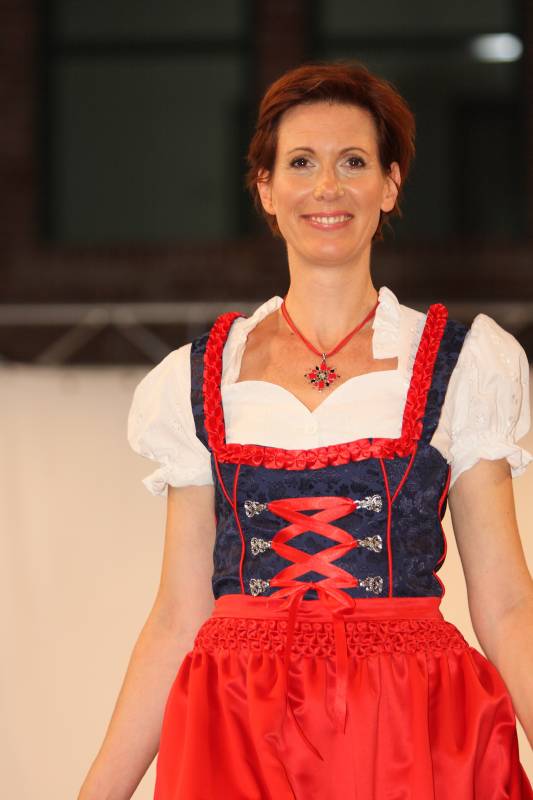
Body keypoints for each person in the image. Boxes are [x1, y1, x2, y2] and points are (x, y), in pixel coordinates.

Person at [78, 62, 533, 799]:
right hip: (237, 727)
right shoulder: (198, 377)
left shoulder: (462, 362)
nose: (327, 186)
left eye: (352, 162)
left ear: (389, 185)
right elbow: (178, 616)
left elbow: (507, 604)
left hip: (406, 727)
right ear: (265, 187)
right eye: (300, 163)